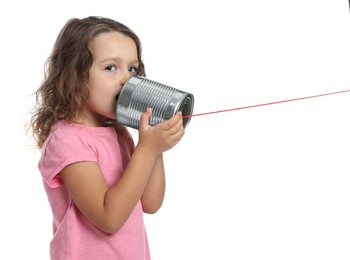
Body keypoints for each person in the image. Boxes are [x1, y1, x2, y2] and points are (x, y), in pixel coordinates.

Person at [29, 16, 184, 260]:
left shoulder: (119, 133)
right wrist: (146, 150)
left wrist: (155, 146)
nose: (127, 79)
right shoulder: (68, 140)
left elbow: (150, 203)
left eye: (132, 68)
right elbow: (108, 218)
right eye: (111, 67)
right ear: (75, 78)